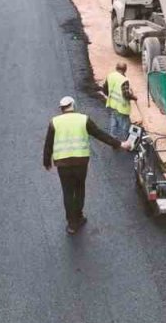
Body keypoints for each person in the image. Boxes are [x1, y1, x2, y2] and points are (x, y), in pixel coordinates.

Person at [43, 96, 132, 234]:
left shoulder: (54, 122)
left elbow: (48, 144)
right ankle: (79, 216)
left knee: (67, 192)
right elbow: (100, 134)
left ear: (61, 109)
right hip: (80, 163)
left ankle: (71, 224)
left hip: (63, 164)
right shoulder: (83, 119)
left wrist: (46, 161)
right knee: (79, 189)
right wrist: (120, 144)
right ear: (73, 105)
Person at [99, 62, 139, 140]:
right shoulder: (124, 80)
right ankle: (126, 141)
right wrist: (134, 97)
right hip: (122, 107)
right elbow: (126, 95)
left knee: (114, 121)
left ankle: (113, 138)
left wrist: (110, 96)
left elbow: (104, 89)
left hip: (112, 104)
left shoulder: (110, 76)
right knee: (125, 125)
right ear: (125, 70)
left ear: (116, 68)